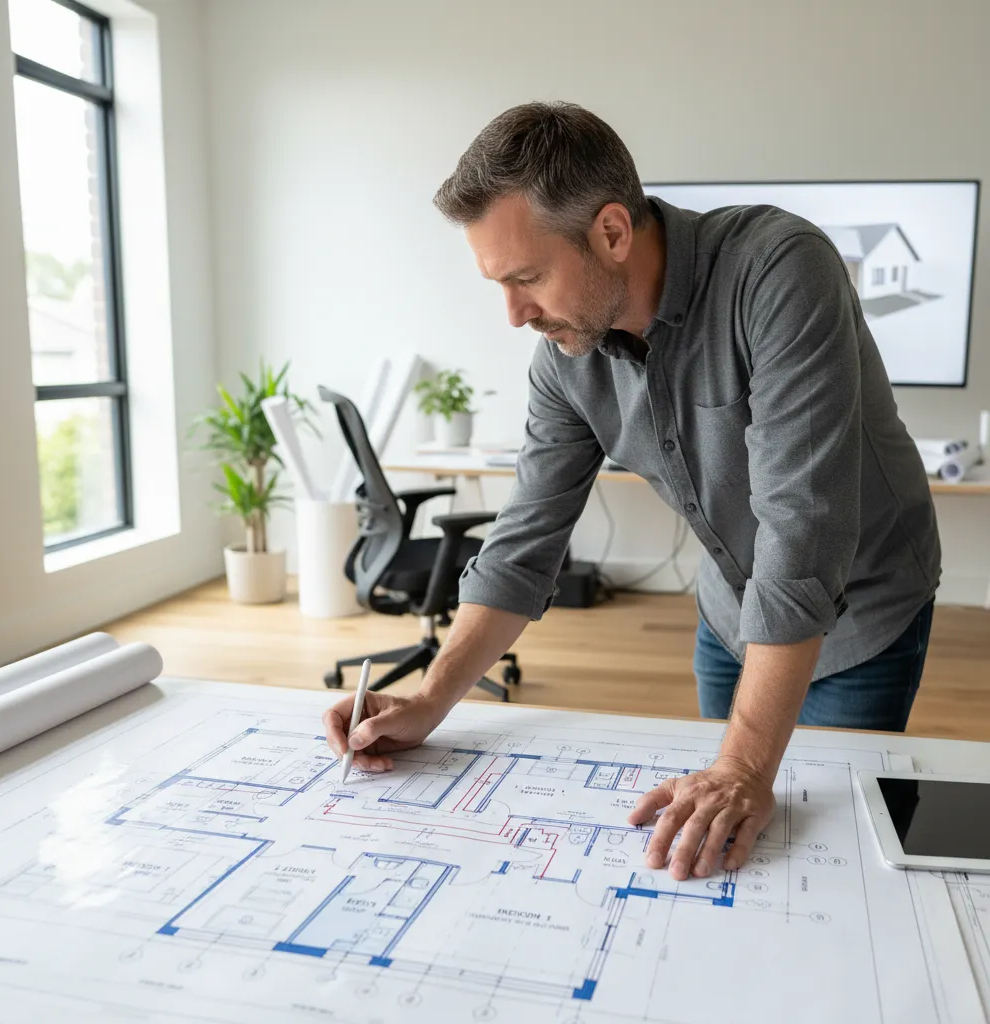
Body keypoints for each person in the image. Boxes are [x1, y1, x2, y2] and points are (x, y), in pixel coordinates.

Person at [323, 101, 940, 881]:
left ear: (612, 232)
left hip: (863, 606)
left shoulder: (779, 269)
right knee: (730, 844)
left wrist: (746, 766)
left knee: (831, 848)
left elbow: (802, 529)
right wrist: (431, 700)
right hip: (729, 607)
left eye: (527, 278)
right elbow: (524, 542)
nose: (514, 315)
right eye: (499, 285)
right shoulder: (565, 355)